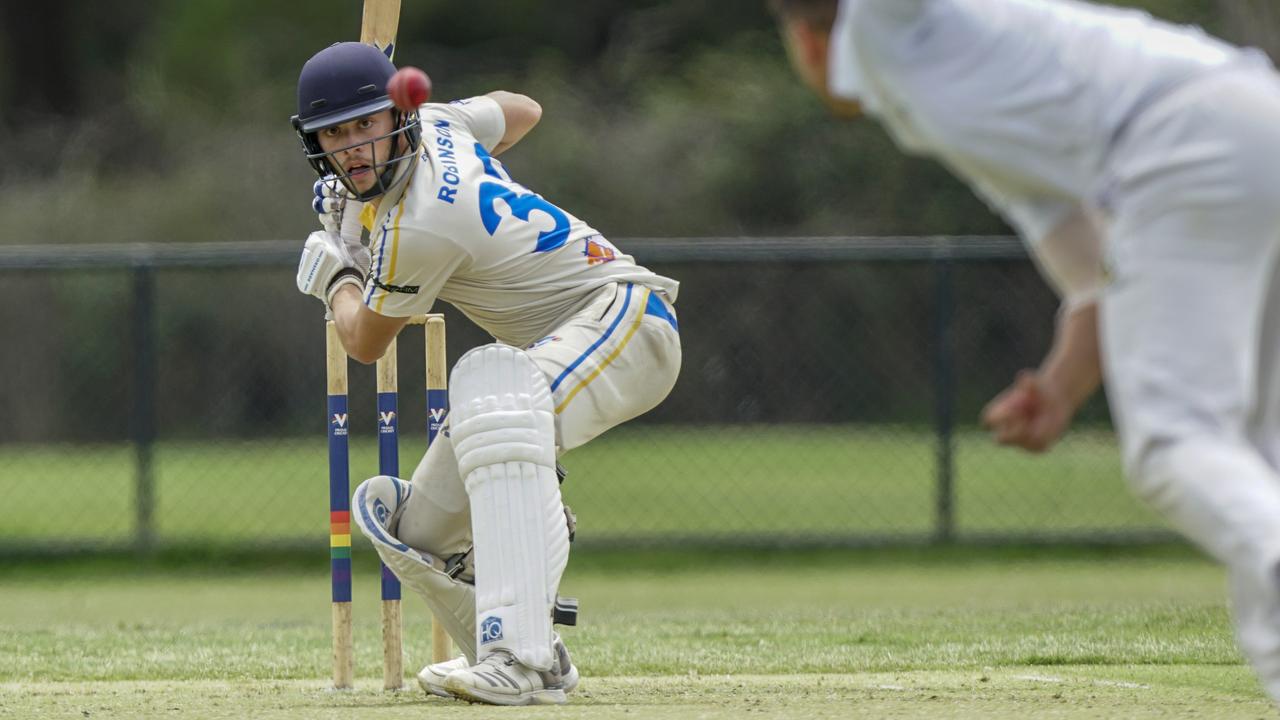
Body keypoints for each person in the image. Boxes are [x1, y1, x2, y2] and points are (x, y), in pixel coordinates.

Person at [773, 0, 1280, 703]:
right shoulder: (945, 114)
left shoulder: (893, 25)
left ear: (805, 39)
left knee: (1174, 442)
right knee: (1256, 466)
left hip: (1179, 141)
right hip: (1249, 120)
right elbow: (1090, 275)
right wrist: (1060, 387)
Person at [290, 41, 682, 706]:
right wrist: (380, 195)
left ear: (397, 118)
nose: (352, 147)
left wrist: (338, 274)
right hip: (565, 345)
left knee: (495, 395)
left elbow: (363, 342)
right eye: (336, 134)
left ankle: (517, 659)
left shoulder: (421, 227)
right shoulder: (440, 124)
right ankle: (542, 657)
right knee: (415, 531)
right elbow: (523, 110)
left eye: (366, 125)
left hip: (626, 320)